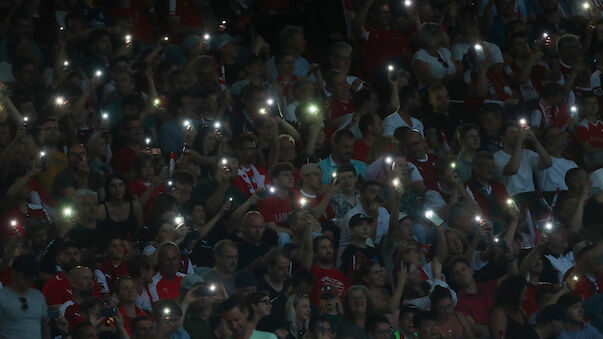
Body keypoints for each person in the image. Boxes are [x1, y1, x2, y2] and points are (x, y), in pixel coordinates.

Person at [493, 122, 552, 198]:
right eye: (512, 132)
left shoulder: (527, 154)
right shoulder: (496, 157)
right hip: (511, 199)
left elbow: (548, 163)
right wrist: (519, 142)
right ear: (502, 137)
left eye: (518, 132)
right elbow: (513, 170)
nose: (517, 135)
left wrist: (535, 141)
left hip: (531, 198)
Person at [0, 254, 50, 338]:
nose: (30, 279)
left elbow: (45, 328)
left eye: (32, 276)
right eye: (26, 275)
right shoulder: (2, 297)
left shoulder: (39, 296)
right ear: (13, 272)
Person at [98, 173, 143, 242]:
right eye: (113, 186)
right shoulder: (102, 209)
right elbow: (99, 235)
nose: (117, 189)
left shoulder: (135, 205)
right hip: (111, 248)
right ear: (108, 189)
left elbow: (141, 230)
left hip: (134, 246)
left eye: (120, 185)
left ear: (126, 187)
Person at [411, 23, 458, 89]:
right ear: (433, 37)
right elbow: (428, 81)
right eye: (441, 34)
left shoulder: (445, 51)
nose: (444, 37)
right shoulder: (420, 56)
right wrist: (445, 80)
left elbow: (457, 71)